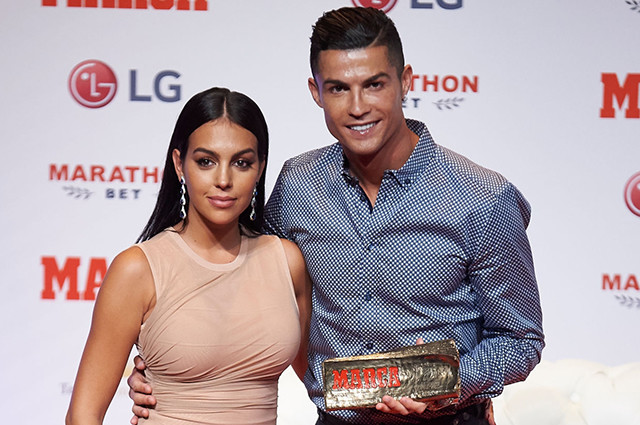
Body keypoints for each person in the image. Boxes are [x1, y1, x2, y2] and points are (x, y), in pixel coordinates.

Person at [128, 7, 544, 425]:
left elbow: (521, 339)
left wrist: (447, 383)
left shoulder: (483, 198)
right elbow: (239, 278)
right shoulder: (298, 184)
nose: (357, 107)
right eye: (339, 88)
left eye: (374, 85)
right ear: (316, 92)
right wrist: (166, 371)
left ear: (405, 82)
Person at [65, 87, 311, 425]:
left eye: (241, 163)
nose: (223, 180)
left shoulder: (286, 261)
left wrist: (388, 388)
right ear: (180, 164)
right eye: (206, 161)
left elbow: (320, 378)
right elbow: (82, 415)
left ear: (260, 168)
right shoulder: (139, 269)